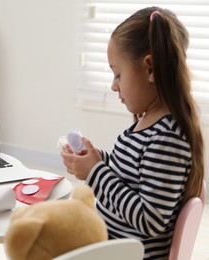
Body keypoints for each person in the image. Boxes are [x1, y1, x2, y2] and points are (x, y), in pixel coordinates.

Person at [61, 6, 204, 259]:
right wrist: (95, 158)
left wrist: (95, 172)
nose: (113, 86)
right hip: (114, 246)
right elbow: (130, 176)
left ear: (150, 69)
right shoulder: (148, 122)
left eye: (118, 74)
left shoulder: (167, 137)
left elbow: (150, 220)